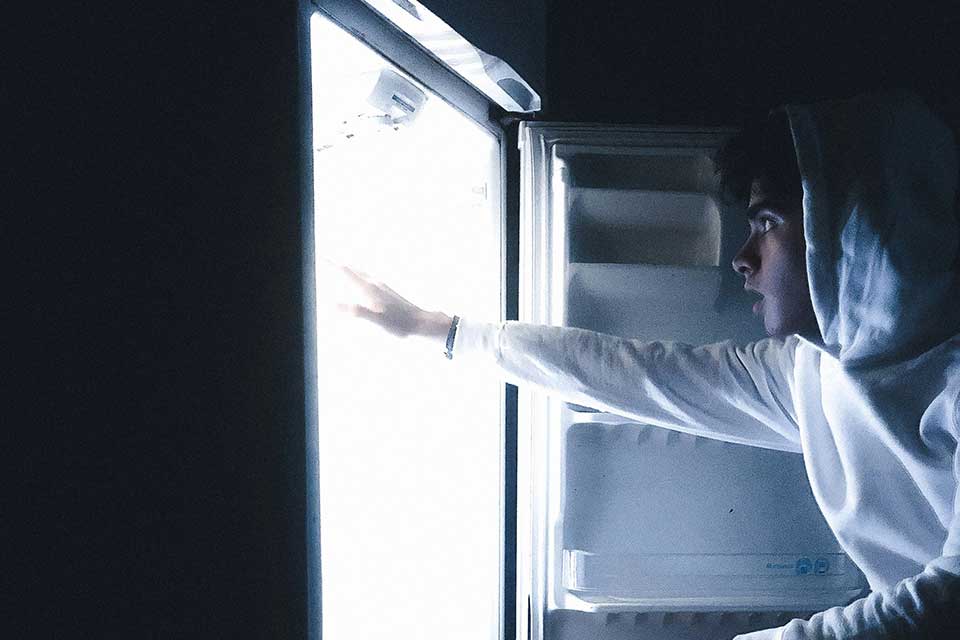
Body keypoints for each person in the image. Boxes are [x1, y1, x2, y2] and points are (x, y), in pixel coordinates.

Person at [338, 89, 960, 639]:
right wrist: (441, 330)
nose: (743, 258)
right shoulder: (815, 371)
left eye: (768, 222)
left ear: (855, 226)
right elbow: (641, 374)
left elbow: (949, 599)